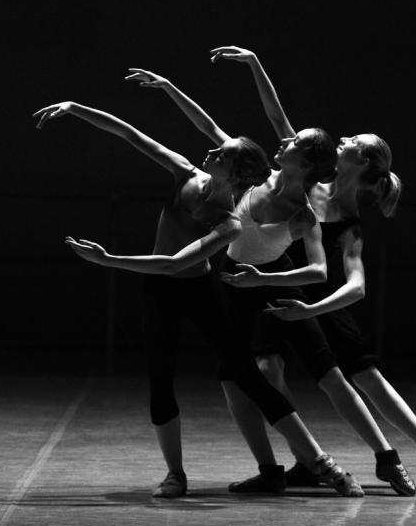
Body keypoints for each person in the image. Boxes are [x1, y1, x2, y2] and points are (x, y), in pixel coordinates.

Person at [33, 79, 360, 499]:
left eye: (220, 155)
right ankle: (175, 474)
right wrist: (75, 106)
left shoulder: (229, 222)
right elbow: (131, 134)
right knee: (160, 377)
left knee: (245, 374)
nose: (210, 152)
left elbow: (176, 263)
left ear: (235, 172)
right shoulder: (185, 171)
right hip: (159, 292)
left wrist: (108, 260)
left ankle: (321, 463)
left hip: (200, 290)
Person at [211, 45, 416, 494]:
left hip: (321, 299)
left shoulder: (350, 224)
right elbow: (278, 120)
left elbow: (355, 287)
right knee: (267, 367)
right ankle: (303, 460)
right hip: (282, 288)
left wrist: (313, 308)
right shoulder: (310, 183)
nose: (344, 139)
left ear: (365, 162)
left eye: (353, 142)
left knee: (362, 376)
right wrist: (256, 63)